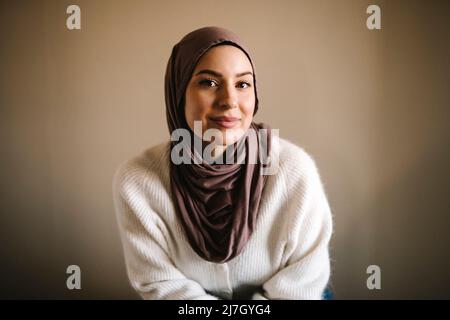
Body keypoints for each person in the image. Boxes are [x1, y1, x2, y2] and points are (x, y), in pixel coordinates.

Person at [113, 26, 333, 300]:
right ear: (178, 92)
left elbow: (301, 287)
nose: (229, 101)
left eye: (242, 84)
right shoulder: (138, 182)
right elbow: (163, 287)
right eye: (209, 82)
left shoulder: (294, 170)